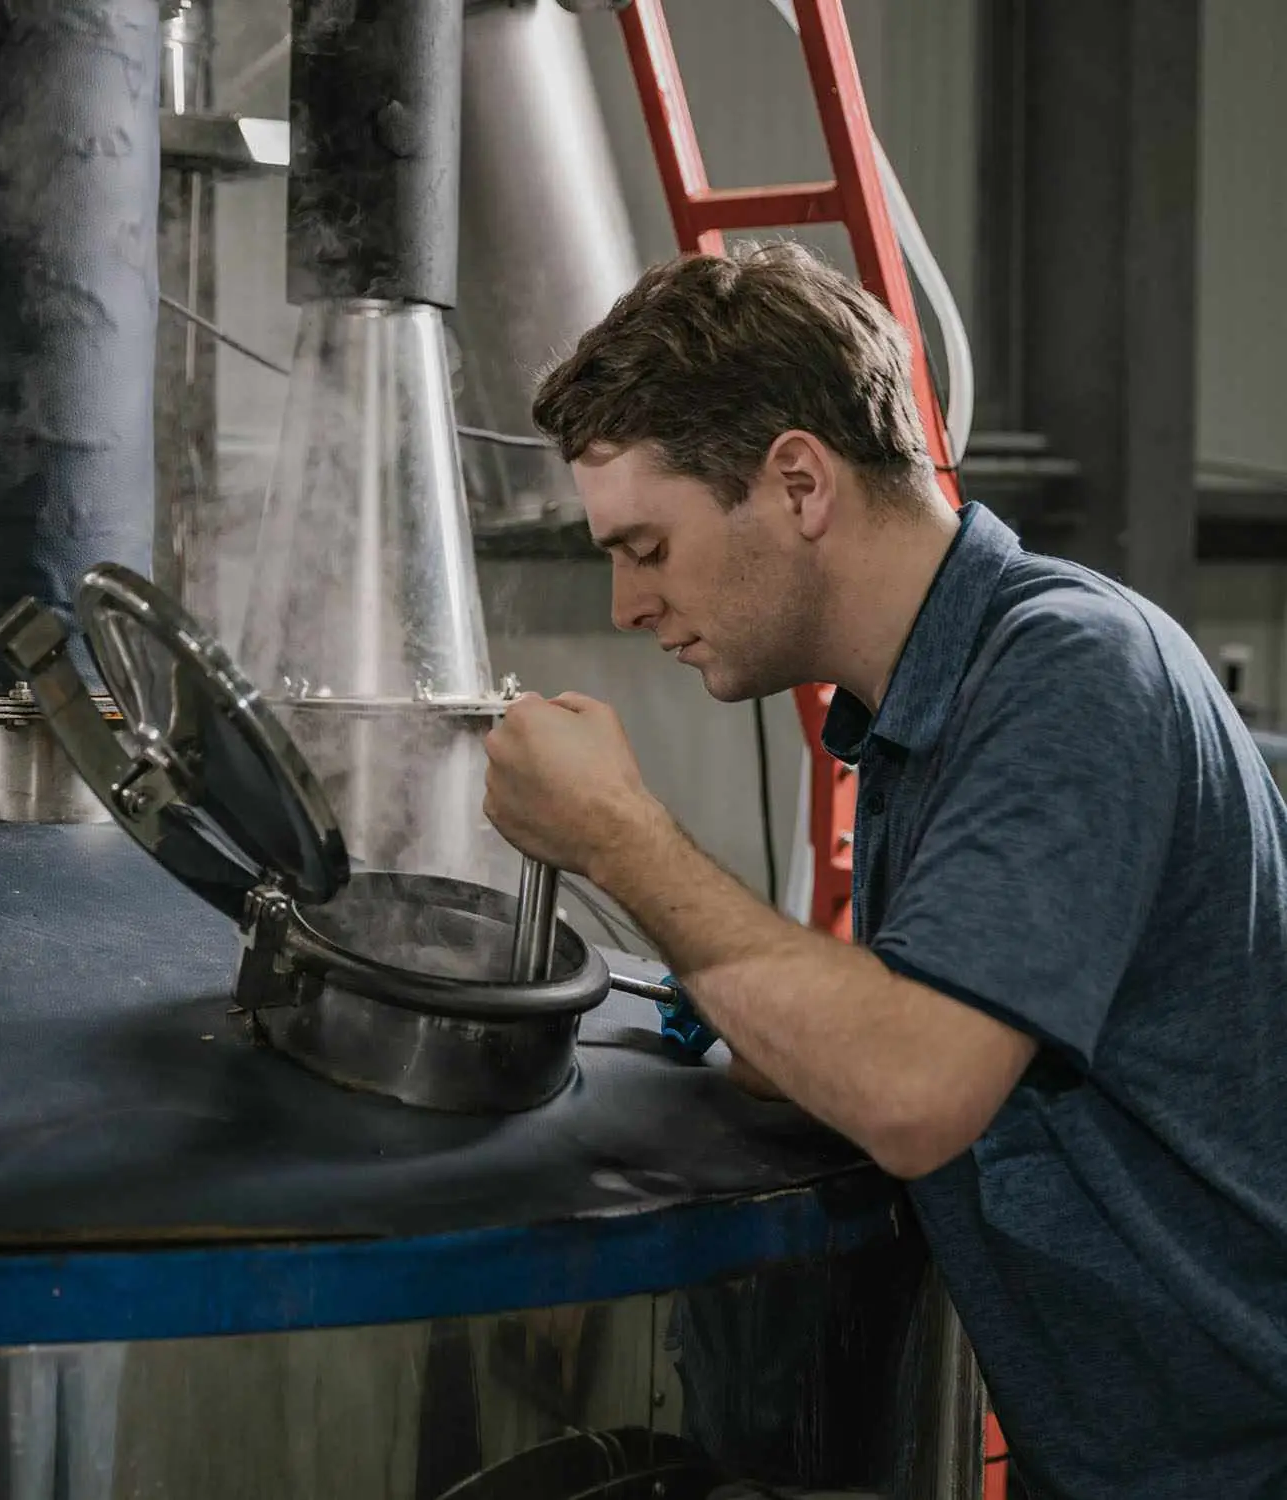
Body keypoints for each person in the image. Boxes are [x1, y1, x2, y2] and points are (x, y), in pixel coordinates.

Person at [482, 242, 1287, 1500]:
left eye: (646, 545)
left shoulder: (1067, 669)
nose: (630, 602)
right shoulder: (926, 718)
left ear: (799, 481)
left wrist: (617, 833)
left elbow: (919, 1090)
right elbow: (938, 1036)